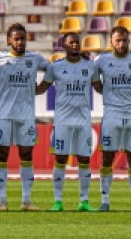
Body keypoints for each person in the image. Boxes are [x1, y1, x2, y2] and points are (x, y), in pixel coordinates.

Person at [0, 23, 49, 211]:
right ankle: (2, 201)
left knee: (26, 155)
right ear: (8, 40)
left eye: (23, 38)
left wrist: (43, 87)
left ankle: (26, 200)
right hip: (3, 115)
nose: (20, 42)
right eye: (17, 38)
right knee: (2, 155)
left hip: (26, 116)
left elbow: (54, 70)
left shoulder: (34, 58)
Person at [36, 32, 102, 211]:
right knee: (60, 159)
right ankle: (58, 201)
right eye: (71, 42)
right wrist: (23, 89)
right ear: (63, 46)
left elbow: (99, 87)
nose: (75, 45)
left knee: (84, 160)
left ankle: (84, 201)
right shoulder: (55, 67)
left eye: (77, 42)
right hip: (62, 121)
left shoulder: (90, 66)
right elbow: (42, 88)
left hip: (83, 121)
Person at [94, 26, 131, 212]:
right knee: (107, 157)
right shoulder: (101, 61)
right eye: (118, 40)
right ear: (111, 42)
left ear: (129, 41)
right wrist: (104, 92)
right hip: (111, 112)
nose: (121, 44)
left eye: (125, 40)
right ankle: (105, 201)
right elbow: (95, 82)